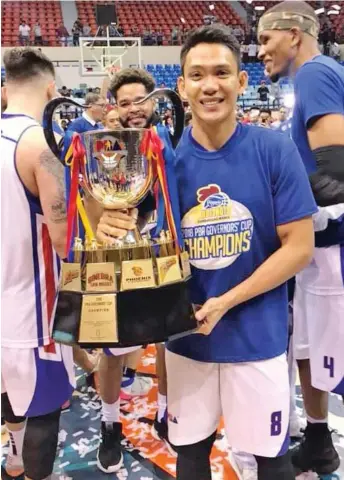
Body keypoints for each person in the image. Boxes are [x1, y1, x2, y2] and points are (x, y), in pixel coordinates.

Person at [96, 25, 318, 480]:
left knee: (272, 463)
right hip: (185, 340)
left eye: (222, 72)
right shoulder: (157, 159)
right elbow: (138, 234)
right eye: (197, 75)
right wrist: (111, 225)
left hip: (258, 340)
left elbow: (300, 247)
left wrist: (226, 301)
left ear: (241, 81)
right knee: (191, 457)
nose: (210, 85)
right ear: (181, 86)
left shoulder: (274, 150)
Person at [258, 2, 344, 476]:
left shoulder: (314, 72)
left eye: (266, 39)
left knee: (333, 352)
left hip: (333, 244)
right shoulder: (313, 76)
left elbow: (337, 173)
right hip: (321, 246)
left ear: (292, 34)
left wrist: (270, 201)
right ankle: (317, 439)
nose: (260, 50)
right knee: (311, 349)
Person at [89, 68, 172, 473]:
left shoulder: (173, 141)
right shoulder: (105, 149)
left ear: (154, 101)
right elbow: (88, 208)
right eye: (125, 102)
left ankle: (165, 412)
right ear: (114, 108)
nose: (134, 109)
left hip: (165, 254)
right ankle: (109, 424)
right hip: (120, 261)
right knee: (113, 349)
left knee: (169, 343)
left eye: (141, 100)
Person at [1, 47, 75, 480]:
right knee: (44, 410)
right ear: (52, 90)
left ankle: (13, 461)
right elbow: (64, 240)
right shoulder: (42, 146)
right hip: (33, 315)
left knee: (10, 397)